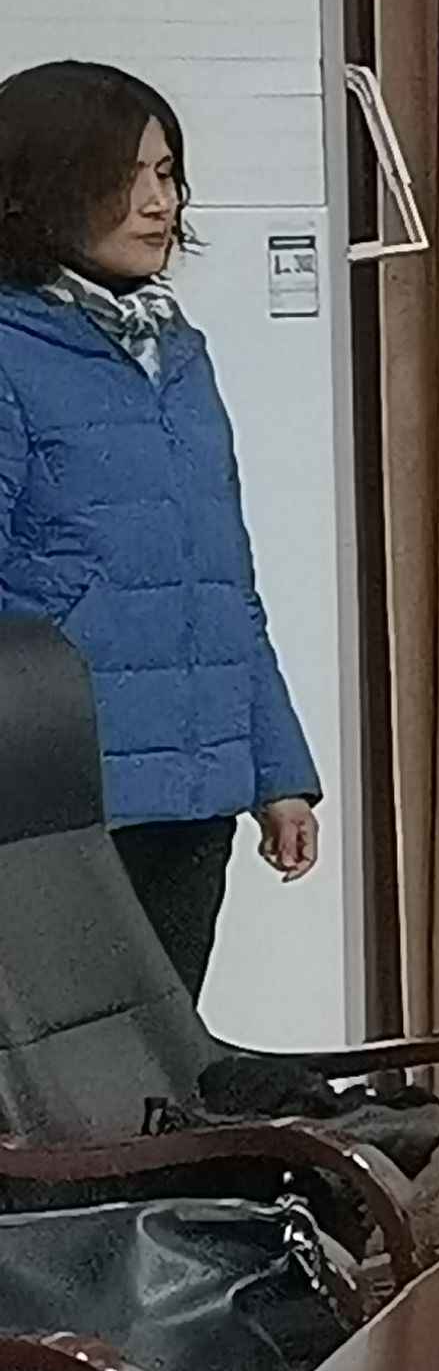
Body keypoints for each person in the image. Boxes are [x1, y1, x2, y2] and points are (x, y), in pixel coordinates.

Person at [0, 59, 320, 997]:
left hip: (193, 794)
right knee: (60, 1078)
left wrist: (276, 774)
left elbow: (225, 587)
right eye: (124, 176)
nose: (159, 203)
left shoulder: (179, 355)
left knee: (166, 1065)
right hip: (55, 804)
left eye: (168, 173)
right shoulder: (10, 350)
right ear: (37, 186)